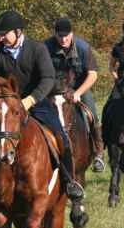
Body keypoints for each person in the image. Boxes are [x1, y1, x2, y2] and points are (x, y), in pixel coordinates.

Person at [0, 10, 86, 213]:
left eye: (5, 33)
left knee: (62, 138)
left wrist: (29, 100)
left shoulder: (37, 49)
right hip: (8, 108)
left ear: (18, 32)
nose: (2, 37)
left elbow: (48, 78)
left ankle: (70, 183)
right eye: (1, 34)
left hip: (37, 103)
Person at [45, 17, 105, 172]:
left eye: (66, 35)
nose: (63, 39)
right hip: (55, 90)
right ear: (55, 34)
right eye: (60, 36)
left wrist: (78, 93)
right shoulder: (46, 47)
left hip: (79, 88)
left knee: (92, 114)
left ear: (72, 33)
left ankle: (98, 153)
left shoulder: (83, 48)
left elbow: (93, 74)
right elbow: (41, 72)